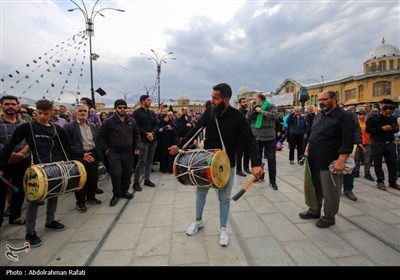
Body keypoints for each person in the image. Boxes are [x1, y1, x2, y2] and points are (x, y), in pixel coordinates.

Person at [169, 83, 264, 247]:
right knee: (200, 193)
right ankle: (198, 221)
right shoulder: (209, 112)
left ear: (226, 99)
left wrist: (256, 164)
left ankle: (223, 229)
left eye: (215, 97)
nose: (211, 100)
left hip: (227, 163)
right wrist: (180, 145)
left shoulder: (237, 117)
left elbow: (250, 140)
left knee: (224, 198)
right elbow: (195, 131)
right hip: (206, 161)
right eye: (211, 96)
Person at [0, 99, 69, 247]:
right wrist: (2, 164)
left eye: (46, 113)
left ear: (51, 113)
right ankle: (30, 233)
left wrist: (80, 156)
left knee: (54, 195)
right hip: (35, 169)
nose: (43, 116)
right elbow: (9, 146)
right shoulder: (27, 127)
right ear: (36, 111)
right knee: (33, 201)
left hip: (53, 168)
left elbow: (67, 147)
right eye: (40, 113)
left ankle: (50, 221)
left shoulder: (57, 129)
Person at [299, 91, 354, 228]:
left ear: (334, 99)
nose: (321, 102)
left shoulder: (344, 116)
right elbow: (313, 134)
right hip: (314, 159)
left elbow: (348, 140)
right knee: (315, 187)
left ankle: (329, 217)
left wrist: (341, 160)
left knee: (330, 192)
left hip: (330, 162)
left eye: (324, 99)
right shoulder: (319, 115)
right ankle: (314, 210)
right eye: (320, 99)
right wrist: (307, 148)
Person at [98, 99, 140, 206]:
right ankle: (116, 194)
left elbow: (136, 135)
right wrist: (106, 150)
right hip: (114, 153)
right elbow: (101, 138)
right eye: (120, 107)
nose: (122, 109)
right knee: (116, 174)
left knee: (127, 173)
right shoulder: (108, 122)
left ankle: (124, 191)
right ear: (115, 108)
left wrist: (137, 147)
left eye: (124, 107)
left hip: (128, 152)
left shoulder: (131, 121)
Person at [63, 103, 103, 212]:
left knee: (93, 178)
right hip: (79, 156)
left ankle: (91, 197)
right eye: (80, 111)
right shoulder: (69, 127)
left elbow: (96, 140)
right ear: (76, 113)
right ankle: (80, 202)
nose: (83, 113)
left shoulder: (92, 126)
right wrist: (81, 154)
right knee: (80, 180)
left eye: (85, 111)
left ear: (88, 112)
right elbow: (67, 145)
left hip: (92, 154)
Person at [0, 95, 30, 227]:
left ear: (18, 106)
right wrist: (10, 153)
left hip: (21, 161)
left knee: (19, 189)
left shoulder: (24, 124)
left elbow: (30, 140)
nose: (10, 106)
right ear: (2, 107)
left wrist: (22, 153)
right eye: (7, 104)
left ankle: (15, 216)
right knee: (1, 191)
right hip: (2, 162)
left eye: (13, 104)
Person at [247, 93, 278, 189]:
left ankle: (272, 182)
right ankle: (260, 177)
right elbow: (248, 118)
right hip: (257, 137)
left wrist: (262, 111)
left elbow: (275, 116)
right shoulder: (253, 107)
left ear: (260, 99)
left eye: (254, 98)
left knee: (271, 159)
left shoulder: (270, 106)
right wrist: (252, 110)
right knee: (257, 160)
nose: (253, 100)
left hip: (269, 138)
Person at [366, 103, 400, 190]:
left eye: (390, 113)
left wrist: (395, 128)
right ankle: (380, 181)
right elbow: (368, 130)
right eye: (387, 113)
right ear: (382, 110)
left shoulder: (392, 118)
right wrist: (381, 128)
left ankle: (393, 182)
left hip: (390, 143)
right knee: (378, 163)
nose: (389, 115)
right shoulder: (372, 118)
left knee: (393, 163)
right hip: (377, 143)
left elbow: (395, 129)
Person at [132, 95, 159, 191]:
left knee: (149, 161)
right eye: (148, 100)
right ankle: (136, 182)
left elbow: (157, 124)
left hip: (152, 140)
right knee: (141, 161)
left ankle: (147, 179)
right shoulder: (136, 113)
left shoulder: (151, 113)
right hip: (143, 141)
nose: (150, 101)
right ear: (142, 102)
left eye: (150, 100)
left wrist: (152, 133)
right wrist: (145, 134)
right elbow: (136, 126)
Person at [236, 97, 251, 176]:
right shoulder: (237, 112)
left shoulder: (248, 112)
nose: (245, 103)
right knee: (239, 154)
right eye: (243, 102)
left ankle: (246, 167)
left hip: (247, 136)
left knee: (247, 153)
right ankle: (238, 170)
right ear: (240, 103)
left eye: (246, 102)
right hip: (239, 137)